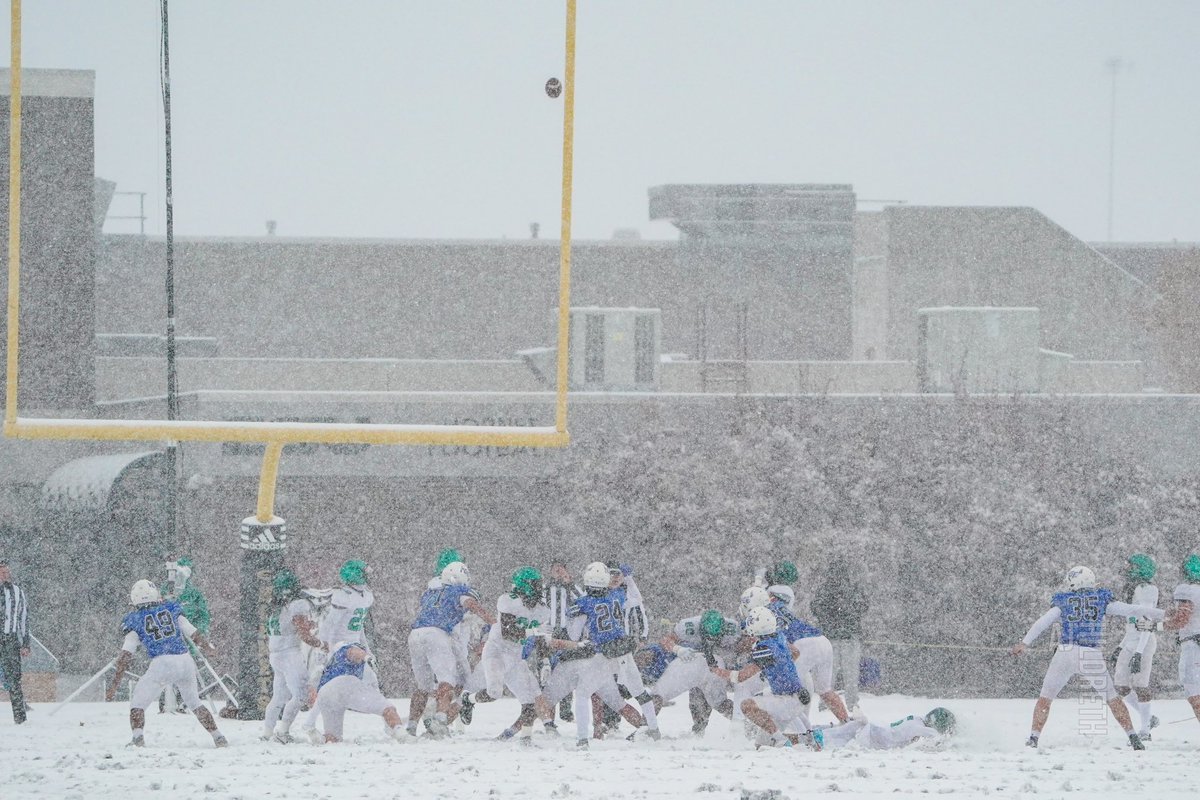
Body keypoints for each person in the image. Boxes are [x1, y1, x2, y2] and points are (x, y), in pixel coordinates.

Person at [1010, 565, 1164, 750]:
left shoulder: (1064, 600)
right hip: (1090, 653)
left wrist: (1024, 642)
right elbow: (1131, 610)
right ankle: (1133, 737)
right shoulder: (1100, 599)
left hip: (1066, 651)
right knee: (1112, 698)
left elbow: (1043, 621)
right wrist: (1163, 614)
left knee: (1045, 698)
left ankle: (1034, 738)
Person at [106, 579, 227, 748]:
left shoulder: (134, 619)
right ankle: (218, 736)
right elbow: (192, 632)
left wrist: (114, 684)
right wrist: (208, 648)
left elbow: (126, 655)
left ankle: (137, 738)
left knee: (137, 704)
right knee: (194, 702)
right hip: (185, 659)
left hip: (162, 662)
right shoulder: (170, 608)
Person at [567, 561, 661, 742]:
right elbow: (637, 600)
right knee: (639, 692)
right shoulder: (617, 595)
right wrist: (630, 579)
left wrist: (572, 619)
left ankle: (582, 739)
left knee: (582, 693)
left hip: (604, 653)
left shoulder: (583, 602)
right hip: (623, 650)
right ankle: (654, 729)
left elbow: (574, 635)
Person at [465, 567, 560, 741]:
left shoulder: (542, 610)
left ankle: (525, 738)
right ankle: (468, 700)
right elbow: (508, 632)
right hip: (497, 652)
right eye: (536, 585)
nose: (540, 588)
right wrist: (533, 631)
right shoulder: (508, 601)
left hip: (516, 658)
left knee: (530, 701)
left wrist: (544, 659)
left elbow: (541, 639)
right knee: (494, 693)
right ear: (526, 586)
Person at [406, 561, 495, 739]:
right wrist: (493, 621)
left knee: (422, 686)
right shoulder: (458, 591)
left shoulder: (430, 592)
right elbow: (470, 603)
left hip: (415, 634)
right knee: (447, 680)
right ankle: (439, 721)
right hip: (436, 633)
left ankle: (410, 726)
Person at [709, 606, 815, 749]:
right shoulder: (779, 636)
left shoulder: (764, 648)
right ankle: (807, 740)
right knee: (760, 745)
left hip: (787, 699)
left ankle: (782, 740)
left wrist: (717, 671)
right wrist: (779, 668)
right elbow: (795, 652)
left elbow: (740, 677)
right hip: (794, 695)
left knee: (747, 705)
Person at [300, 559, 376, 742]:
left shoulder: (365, 595)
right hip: (341, 647)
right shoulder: (343, 595)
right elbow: (330, 624)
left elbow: (359, 627)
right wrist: (326, 648)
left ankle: (387, 718)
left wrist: (365, 647)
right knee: (328, 688)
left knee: (370, 680)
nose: (367, 576)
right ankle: (309, 723)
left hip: (353, 646)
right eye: (364, 573)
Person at [263, 568, 323, 743]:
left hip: (276, 654)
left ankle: (267, 732)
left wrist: (306, 624)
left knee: (279, 697)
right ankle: (283, 731)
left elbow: (290, 625)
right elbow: (303, 633)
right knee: (301, 694)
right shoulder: (298, 604)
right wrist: (320, 644)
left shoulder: (276, 606)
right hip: (289, 653)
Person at [315, 642, 404, 743]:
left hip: (325, 694)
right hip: (344, 686)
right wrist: (367, 657)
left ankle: (323, 739)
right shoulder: (347, 651)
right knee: (388, 708)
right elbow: (353, 651)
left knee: (333, 737)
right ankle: (402, 735)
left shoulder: (332, 660)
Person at [1112, 553, 1160, 739]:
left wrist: (1139, 652)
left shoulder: (1147, 589)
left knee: (1141, 685)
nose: (1128, 570)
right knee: (1121, 685)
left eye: (1131, 567)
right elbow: (1132, 625)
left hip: (1144, 642)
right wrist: (1120, 646)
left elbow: (1146, 622)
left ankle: (1145, 730)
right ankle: (1147, 717)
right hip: (1131, 640)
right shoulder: (1132, 589)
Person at [811, 557, 869, 710]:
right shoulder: (854, 589)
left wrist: (829, 618)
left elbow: (815, 608)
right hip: (849, 636)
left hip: (830, 637)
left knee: (827, 675)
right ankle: (852, 705)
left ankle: (825, 703)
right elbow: (863, 607)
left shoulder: (825, 590)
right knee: (850, 675)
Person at [160, 556, 210, 714]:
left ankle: (185, 700)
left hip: (190, 639)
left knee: (186, 669)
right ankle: (166, 699)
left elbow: (203, 615)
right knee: (167, 668)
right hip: (169, 638)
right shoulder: (166, 589)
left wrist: (199, 631)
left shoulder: (194, 593)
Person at [1164, 554, 1200, 728]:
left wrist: (1156, 626)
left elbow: (1182, 619)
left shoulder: (1186, 589)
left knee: (1193, 691)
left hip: (1193, 644)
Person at [544, 560, 582, 722]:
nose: (559, 572)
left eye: (561, 569)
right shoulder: (545, 588)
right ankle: (547, 712)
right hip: (549, 632)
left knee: (567, 672)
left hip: (567, 633)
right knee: (547, 672)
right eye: (555, 569)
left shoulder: (572, 587)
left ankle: (566, 710)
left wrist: (570, 584)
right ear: (551, 571)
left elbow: (582, 601)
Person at [815, 707, 955, 750]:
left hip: (873, 727)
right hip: (874, 739)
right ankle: (808, 740)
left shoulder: (917, 719)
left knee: (833, 733)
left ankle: (805, 736)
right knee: (831, 742)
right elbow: (939, 742)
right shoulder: (926, 730)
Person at [0, 558, 31, 724]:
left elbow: (24, 619)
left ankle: (20, 718)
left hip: (10, 639)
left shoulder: (17, 592)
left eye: (7, 572)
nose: (5, 575)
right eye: (2, 572)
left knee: (14, 678)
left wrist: (25, 643)